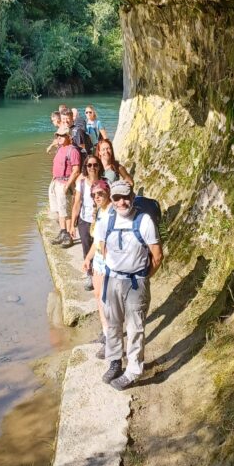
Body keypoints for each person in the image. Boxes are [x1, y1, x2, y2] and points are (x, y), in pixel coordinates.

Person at [94, 179, 163, 390]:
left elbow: (157, 256)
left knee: (135, 328)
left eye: (126, 197)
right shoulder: (106, 221)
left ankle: (133, 371)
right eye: (117, 197)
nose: (122, 202)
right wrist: (114, 268)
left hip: (135, 282)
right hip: (112, 279)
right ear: (112, 200)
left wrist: (142, 277)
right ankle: (115, 362)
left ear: (132, 197)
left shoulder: (145, 222)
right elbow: (102, 248)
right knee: (113, 324)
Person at [83, 179, 112, 356]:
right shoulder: (100, 212)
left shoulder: (112, 213)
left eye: (100, 193)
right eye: (94, 195)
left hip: (108, 262)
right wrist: (88, 258)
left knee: (105, 301)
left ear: (107, 192)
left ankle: (111, 341)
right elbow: (96, 241)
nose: (97, 197)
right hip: (98, 261)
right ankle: (106, 333)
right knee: (98, 297)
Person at [70, 153, 105, 288]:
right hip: (85, 221)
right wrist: (73, 225)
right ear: (85, 167)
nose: (92, 167)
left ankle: (102, 273)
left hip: (101, 221)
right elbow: (77, 203)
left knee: (101, 247)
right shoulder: (82, 184)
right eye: (89, 165)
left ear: (99, 166)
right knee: (86, 248)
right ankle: (89, 275)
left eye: (95, 165)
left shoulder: (105, 182)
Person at [48, 127, 81, 247]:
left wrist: (67, 185)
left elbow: (76, 170)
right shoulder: (61, 149)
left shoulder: (73, 151)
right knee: (59, 210)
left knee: (66, 211)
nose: (59, 138)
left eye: (62, 136)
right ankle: (63, 232)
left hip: (65, 183)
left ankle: (69, 235)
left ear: (69, 136)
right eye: (58, 136)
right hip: (56, 182)